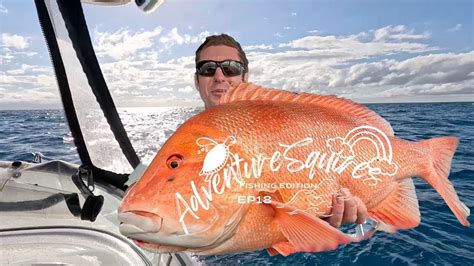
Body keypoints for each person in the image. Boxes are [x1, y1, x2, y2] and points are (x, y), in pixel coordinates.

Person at [194, 34, 368, 228]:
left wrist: (318, 215)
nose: (219, 77)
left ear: (245, 77)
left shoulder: (280, 118)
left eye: (230, 68)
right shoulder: (186, 143)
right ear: (196, 80)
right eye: (208, 69)